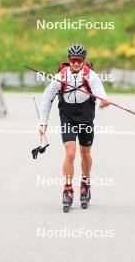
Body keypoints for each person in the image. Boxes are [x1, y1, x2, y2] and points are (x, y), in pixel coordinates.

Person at [39, 44, 110, 212]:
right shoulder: (60, 77)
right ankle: (68, 189)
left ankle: (85, 183)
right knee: (70, 153)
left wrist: (103, 102)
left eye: (79, 61)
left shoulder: (90, 75)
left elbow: (100, 92)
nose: (76, 64)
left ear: (84, 61)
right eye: (73, 60)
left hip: (85, 116)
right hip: (68, 116)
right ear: (69, 61)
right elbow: (47, 98)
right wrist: (43, 123)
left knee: (85, 152)